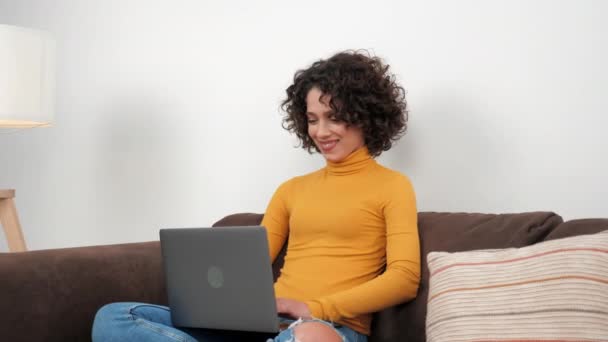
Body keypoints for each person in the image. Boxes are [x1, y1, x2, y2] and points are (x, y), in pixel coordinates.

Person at [91, 50, 420, 342]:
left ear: (365, 115)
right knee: (115, 318)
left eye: (334, 117)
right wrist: (221, 308)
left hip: (328, 328)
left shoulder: (392, 186)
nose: (321, 132)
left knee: (310, 338)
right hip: (264, 325)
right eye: (312, 119)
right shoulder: (291, 190)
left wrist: (315, 307)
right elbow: (247, 264)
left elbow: (404, 279)